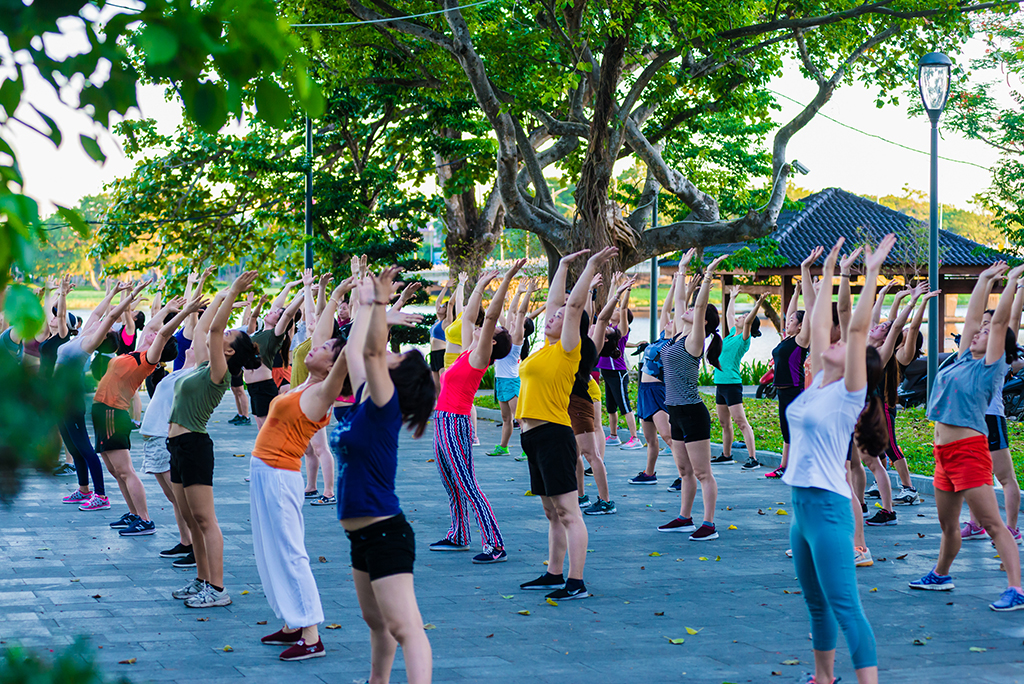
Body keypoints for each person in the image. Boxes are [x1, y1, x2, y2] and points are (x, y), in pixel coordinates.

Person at [784, 236, 890, 684]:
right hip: (800, 511)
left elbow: (857, 327)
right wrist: (826, 273)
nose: (831, 341)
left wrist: (867, 276)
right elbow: (821, 316)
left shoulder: (849, 395)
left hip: (828, 511)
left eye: (842, 345)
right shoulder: (818, 386)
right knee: (816, 605)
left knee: (846, 607)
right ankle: (823, 678)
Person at [330, 266, 435, 684]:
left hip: (386, 532)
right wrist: (370, 307)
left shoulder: (385, 404)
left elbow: (371, 353)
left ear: (398, 376)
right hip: (361, 535)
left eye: (396, 356)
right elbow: (356, 353)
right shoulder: (363, 402)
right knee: (377, 623)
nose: (387, 352)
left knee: (406, 628)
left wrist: (378, 303)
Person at [910, 260, 1024, 612]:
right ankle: (941, 575)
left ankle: (1017, 589)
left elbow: (1003, 321)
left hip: (969, 451)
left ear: (999, 346)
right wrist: (985, 279)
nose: (978, 332)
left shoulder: (990, 368)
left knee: (992, 524)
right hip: (942, 453)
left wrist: (1012, 284)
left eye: (987, 333)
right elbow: (974, 317)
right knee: (947, 525)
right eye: (979, 331)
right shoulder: (960, 360)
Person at [251, 307, 352, 661]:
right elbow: (319, 329)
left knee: (291, 553)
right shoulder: (306, 385)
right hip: (265, 472)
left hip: (280, 476)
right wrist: (334, 294)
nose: (315, 346)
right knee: (269, 551)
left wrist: (373, 309)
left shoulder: (322, 393)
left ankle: (311, 634)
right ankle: (293, 622)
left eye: (324, 348)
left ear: (332, 366)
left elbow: (347, 354)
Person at [517, 246, 617, 600]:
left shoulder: (568, 350)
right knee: (551, 512)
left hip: (553, 434)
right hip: (531, 437)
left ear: (573, 326)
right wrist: (561, 266)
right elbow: (559, 300)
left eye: (559, 317)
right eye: (552, 314)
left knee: (568, 511)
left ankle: (576, 582)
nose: (553, 316)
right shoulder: (546, 346)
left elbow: (573, 307)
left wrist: (589, 269)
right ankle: (553, 573)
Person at [169, 272, 262, 609]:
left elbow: (214, 330)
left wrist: (235, 291)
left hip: (194, 446)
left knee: (205, 520)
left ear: (229, 350)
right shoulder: (202, 365)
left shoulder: (218, 374)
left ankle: (218, 589)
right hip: (177, 446)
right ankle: (202, 580)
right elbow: (206, 329)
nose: (225, 332)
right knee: (191, 519)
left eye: (231, 334)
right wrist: (223, 294)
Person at [430, 262, 523, 560]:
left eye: (490, 328)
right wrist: (478, 286)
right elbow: (470, 313)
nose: (484, 324)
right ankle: (459, 534)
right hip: (442, 419)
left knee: (467, 483)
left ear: (492, 341)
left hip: (456, 422)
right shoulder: (468, 348)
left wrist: (506, 279)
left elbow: (492, 314)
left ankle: (495, 543)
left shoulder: (481, 355)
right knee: (451, 482)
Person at [93, 296, 201, 536]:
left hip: (113, 414)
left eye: (156, 338)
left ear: (160, 349)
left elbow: (161, 334)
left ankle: (144, 519)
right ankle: (133, 513)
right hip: (103, 412)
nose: (151, 333)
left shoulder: (147, 361)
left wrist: (183, 314)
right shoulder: (136, 352)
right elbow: (153, 328)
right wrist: (166, 309)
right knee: (114, 470)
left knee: (124, 470)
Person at [57, 280, 148, 510]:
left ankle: (101, 496)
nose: (107, 324)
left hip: (70, 400)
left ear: (104, 338)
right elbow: (100, 312)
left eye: (106, 328)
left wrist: (130, 296)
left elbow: (109, 316)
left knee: (84, 447)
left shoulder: (88, 344)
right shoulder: (84, 335)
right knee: (72, 445)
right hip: (58, 399)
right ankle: (83, 489)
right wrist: (114, 292)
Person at [657, 250, 727, 540]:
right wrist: (682, 269)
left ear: (705, 324)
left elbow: (696, 309)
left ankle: (708, 524)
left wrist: (708, 277)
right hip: (675, 411)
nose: (683, 309)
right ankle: (685, 517)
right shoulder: (677, 336)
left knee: (702, 473)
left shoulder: (695, 340)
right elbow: (682, 303)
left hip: (692, 412)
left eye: (695, 312)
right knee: (685, 471)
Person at [961, 294, 1024, 544]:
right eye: (983, 323)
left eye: (990, 323)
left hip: (990, 418)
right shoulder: (971, 349)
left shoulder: (999, 355)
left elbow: (1013, 320)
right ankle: (976, 524)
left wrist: (1018, 290)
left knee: (1005, 476)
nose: (985, 326)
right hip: (969, 420)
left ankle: (1011, 528)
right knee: (977, 475)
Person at [573, 273, 631, 514]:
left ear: (603, 338)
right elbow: (589, 316)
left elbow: (602, 316)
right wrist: (590, 291)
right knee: (575, 453)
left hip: (583, 396)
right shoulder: (583, 337)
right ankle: (580, 495)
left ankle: (605, 501)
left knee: (591, 454)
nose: (600, 323)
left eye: (603, 327)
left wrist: (617, 293)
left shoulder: (591, 346)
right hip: (571, 396)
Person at [142, 346, 197, 568]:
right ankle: (186, 542)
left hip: (162, 437)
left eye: (196, 345)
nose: (190, 346)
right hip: (153, 438)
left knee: (181, 498)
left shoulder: (193, 374)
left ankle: (196, 548)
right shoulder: (178, 371)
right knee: (173, 498)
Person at [761, 274, 811, 477]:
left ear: (800, 325)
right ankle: (785, 467)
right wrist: (796, 291)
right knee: (787, 432)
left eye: (792, 321)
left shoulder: (801, 341)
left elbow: (807, 315)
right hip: (781, 391)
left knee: (798, 430)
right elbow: (790, 312)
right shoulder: (786, 339)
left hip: (795, 390)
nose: (788, 321)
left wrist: (808, 291)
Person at [635, 275, 681, 491]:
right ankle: (649, 473)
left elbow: (677, 314)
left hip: (657, 391)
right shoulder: (662, 336)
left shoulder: (676, 342)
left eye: (674, 321)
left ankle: (685, 474)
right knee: (650, 439)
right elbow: (665, 311)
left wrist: (683, 290)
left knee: (668, 436)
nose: (669, 321)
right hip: (643, 390)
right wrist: (672, 287)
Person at [712, 286, 767, 465]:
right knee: (724, 422)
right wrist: (733, 297)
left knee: (740, 421)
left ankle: (753, 458)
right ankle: (726, 455)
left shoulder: (744, 339)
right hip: (720, 383)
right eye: (741, 316)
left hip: (732, 384)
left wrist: (757, 304)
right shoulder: (729, 336)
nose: (739, 318)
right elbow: (729, 316)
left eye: (743, 317)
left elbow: (749, 321)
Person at [245, 281, 304, 431]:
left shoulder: (276, 335)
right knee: (262, 429)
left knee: (269, 428)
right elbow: (276, 308)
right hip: (254, 386)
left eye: (277, 314)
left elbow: (288, 313)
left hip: (271, 380)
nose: (272, 311)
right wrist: (288, 286)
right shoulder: (260, 332)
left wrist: (305, 292)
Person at [487, 278, 532, 457]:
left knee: (521, 419)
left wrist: (527, 294)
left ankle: (528, 450)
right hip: (500, 381)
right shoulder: (507, 336)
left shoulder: (517, 339)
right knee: (507, 418)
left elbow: (519, 312)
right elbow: (512, 311)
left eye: (519, 321)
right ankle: (503, 447)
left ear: (523, 328)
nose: (513, 320)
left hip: (512, 382)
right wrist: (519, 292)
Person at [597, 284, 643, 450]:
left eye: (618, 311)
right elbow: (611, 303)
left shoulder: (621, 330)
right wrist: (615, 286)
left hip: (617, 372)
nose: (615, 310)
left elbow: (622, 307)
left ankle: (635, 438)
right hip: (607, 372)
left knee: (624, 405)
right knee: (610, 406)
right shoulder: (609, 329)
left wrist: (628, 290)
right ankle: (614, 436)